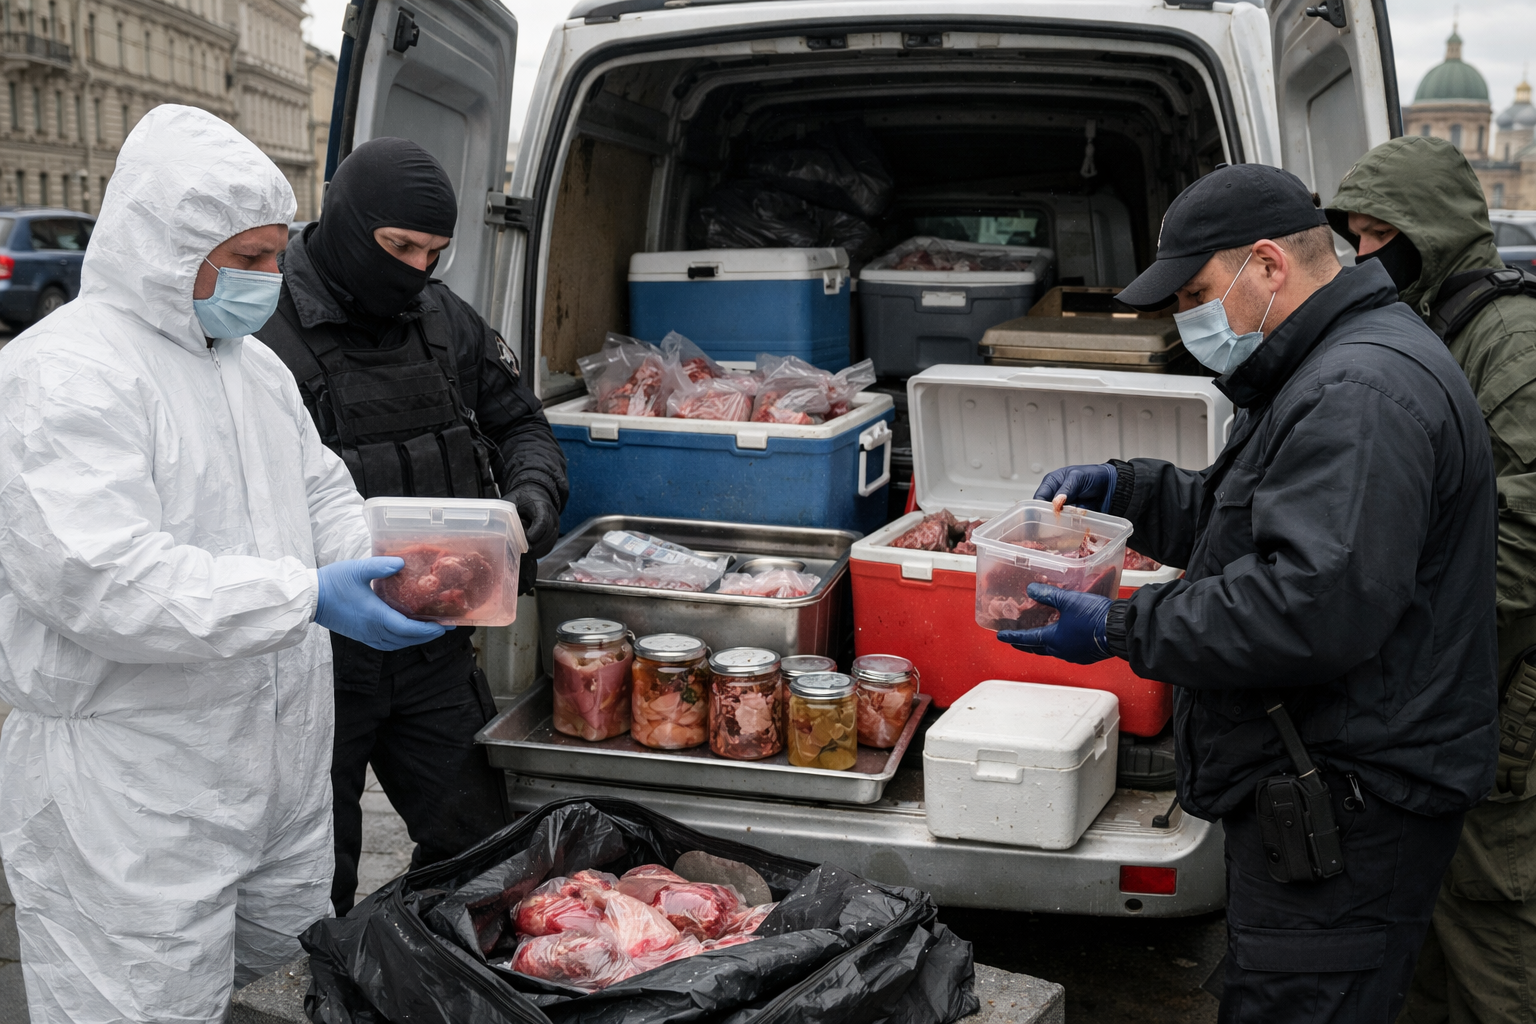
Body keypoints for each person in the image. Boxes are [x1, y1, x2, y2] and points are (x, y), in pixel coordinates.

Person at [1005, 163, 1499, 1022]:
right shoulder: (1332, 364)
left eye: (1198, 291)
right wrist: (1132, 491)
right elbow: (1259, 521)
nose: (1191, 318)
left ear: (1269, 265)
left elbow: (1310, 605)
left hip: (1351, 804)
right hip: (1322, 787)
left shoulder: (1358, 391)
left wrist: (1123, 622)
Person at [0, 105, 447, 1024]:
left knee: (287, 983)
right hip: (134, 792)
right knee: (137, 1003)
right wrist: (305, 596)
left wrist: (378, 568)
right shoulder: (66, 374)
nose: (267, 281)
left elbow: (321, 490)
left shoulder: (251, 369)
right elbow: (101, 580)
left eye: (276, 256)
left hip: (275, 768)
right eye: (243, 260)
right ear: (164, 246)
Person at [254, 137, 568, 915]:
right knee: (312, 883)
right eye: (398, 247)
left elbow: (521, 422)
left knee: (486, 852)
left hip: (432, 642)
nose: (418, 270)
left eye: (435, 252)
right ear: (348, 222)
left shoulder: (442, 317)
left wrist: (533, 493)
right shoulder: (260, 328)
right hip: (313, 658)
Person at [1325, 136, 1536, 1024]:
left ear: (1435, 232)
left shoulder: (1510, 341)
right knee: (1427, 927)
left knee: (1494, 926)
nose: (1366, 257)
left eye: (1383, 237)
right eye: (1357, 239)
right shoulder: (1430, 322)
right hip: (1458, 681)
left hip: (1502, 681)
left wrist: (1414, 642)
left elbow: (1525, 540)